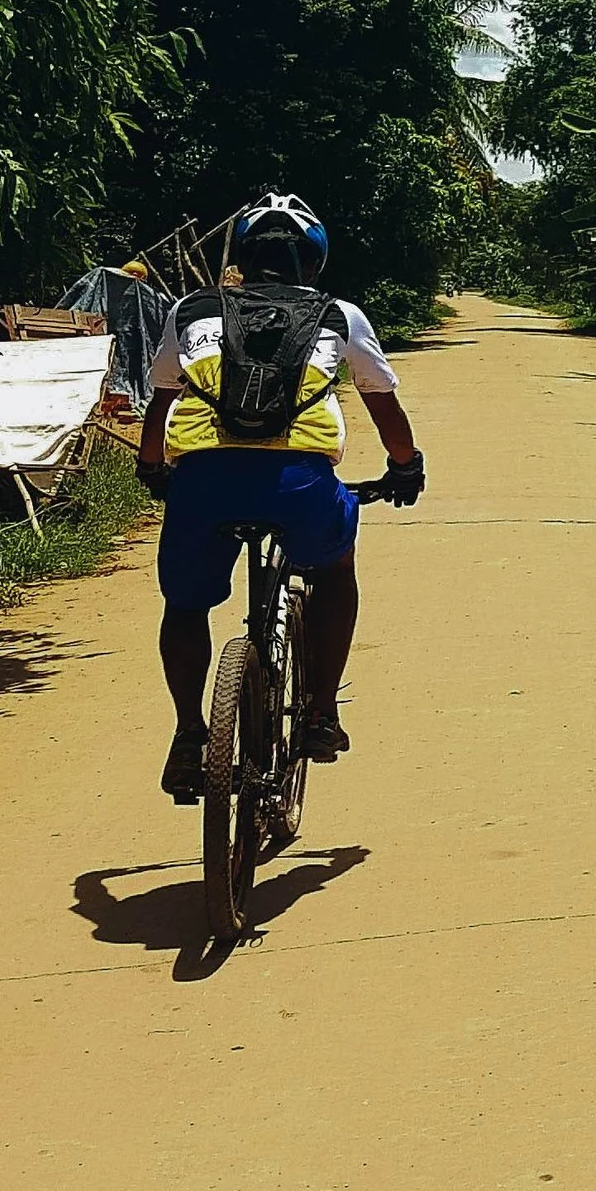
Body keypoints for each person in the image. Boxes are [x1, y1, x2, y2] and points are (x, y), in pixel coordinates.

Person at [135, 194, 424, 800]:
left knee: (185, 607)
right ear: (313, 265)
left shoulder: (192, 310)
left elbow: (162, 398)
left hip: (203, 482)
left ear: (240, 258)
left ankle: (191, 735)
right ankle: (320, 713)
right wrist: (405, 467)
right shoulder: (339, 315)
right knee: (334, 570)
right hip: (299, 483)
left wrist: (154, 465)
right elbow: (382, 403)